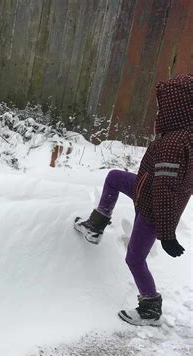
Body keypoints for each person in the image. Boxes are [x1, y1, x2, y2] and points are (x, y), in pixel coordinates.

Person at [74, 74, 192, 327]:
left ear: (178, 106)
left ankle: (150, 308)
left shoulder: (173, 143)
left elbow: (166, 190)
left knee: (134, 259)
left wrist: (166, 232)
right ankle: (95, 225)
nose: (159, 109)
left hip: (152, 210)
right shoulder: (182, 135)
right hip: (144, 190)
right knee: (114, 177)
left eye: (163, 105)